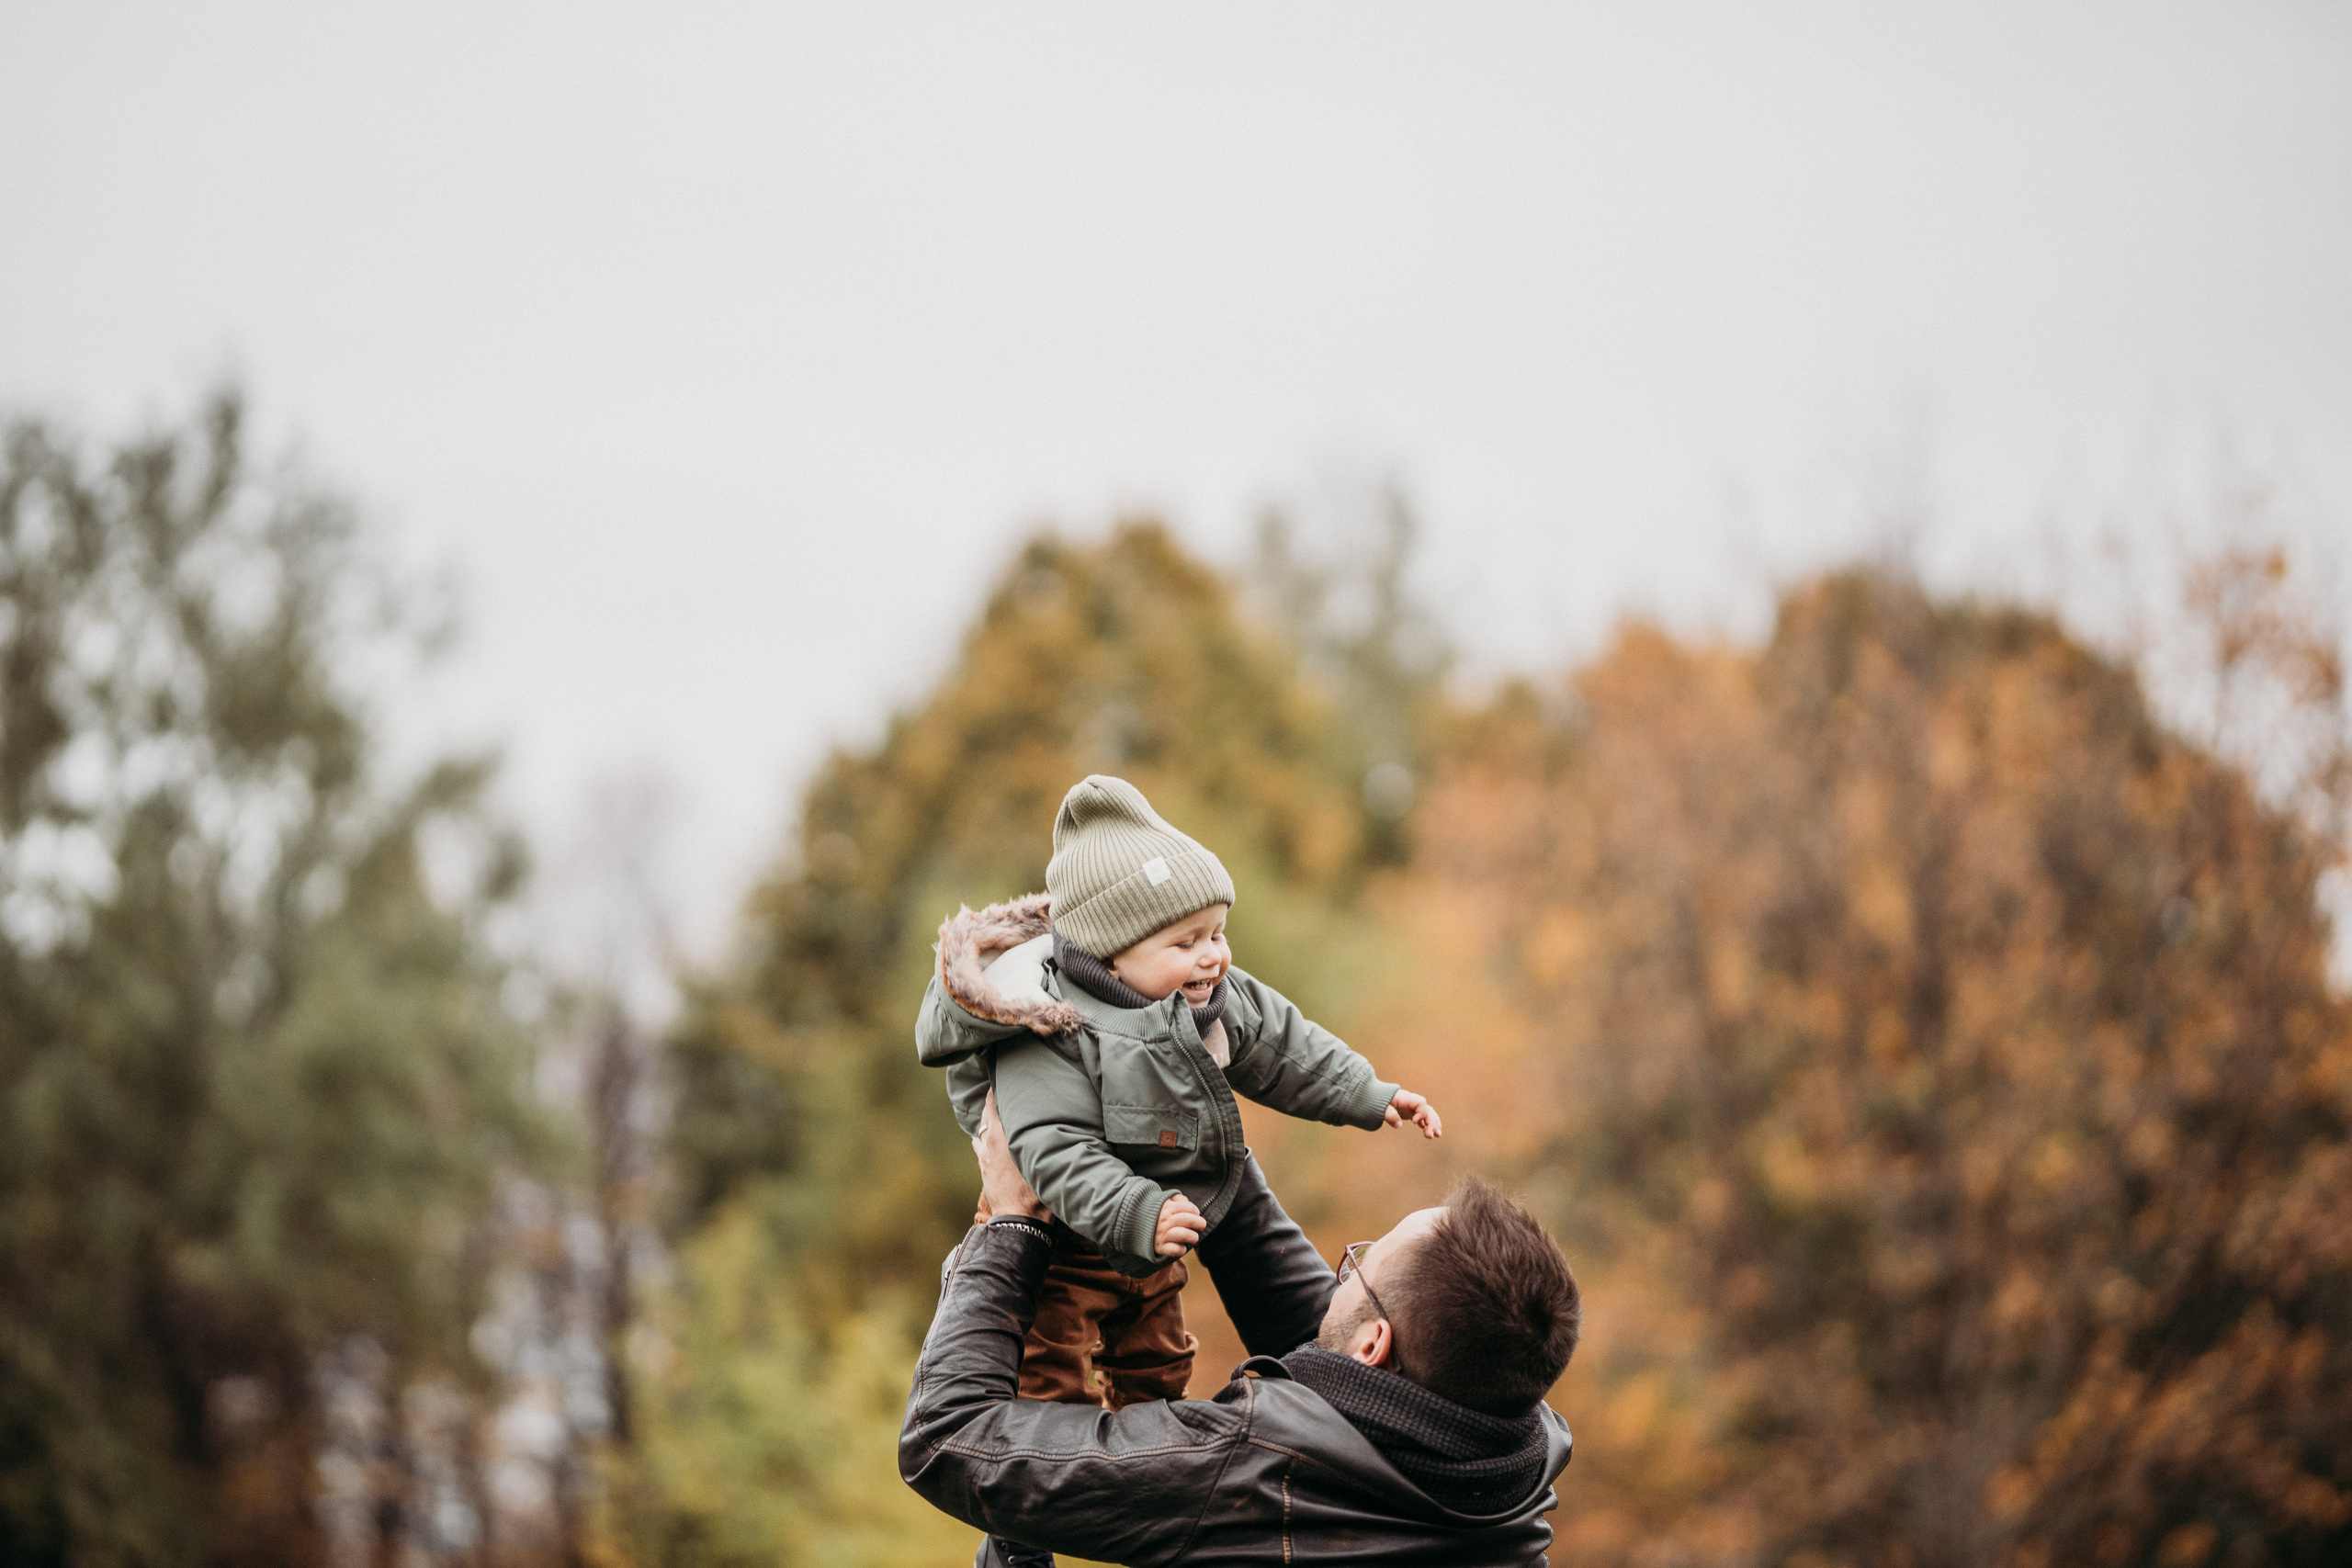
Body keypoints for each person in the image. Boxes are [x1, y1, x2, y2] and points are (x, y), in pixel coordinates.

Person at [915, 775, 1442, 1415]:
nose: (1213, 958)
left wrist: (1368, 1093)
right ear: (1110, 955)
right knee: (1048, 1368)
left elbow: (1286, 1045)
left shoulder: (1205, 998)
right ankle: (1046, 1488)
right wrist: (1138, 1210)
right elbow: (1052, 1148)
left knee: (1159, 1360)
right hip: (1063, 1234)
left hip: (1159, 1218)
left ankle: (1154, 1452)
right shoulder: (1048, 1026)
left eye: (1217, 932)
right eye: (1186, 942)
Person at [900, 1097, 1581, 1566]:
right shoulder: (1512, 1458)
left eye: (1358, 1264)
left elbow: (947, 1435)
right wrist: (1194, 1124)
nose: (1340, 1270)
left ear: (1376, 1342)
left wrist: (1012, 1223)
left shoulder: (1250, 1468)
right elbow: (1326, 1347)